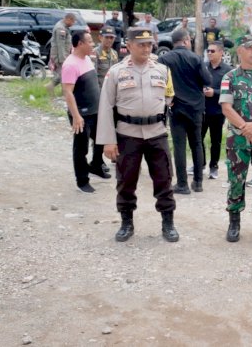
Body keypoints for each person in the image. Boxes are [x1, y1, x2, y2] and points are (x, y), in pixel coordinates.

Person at [97, 27, 179, 243]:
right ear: (129, 45)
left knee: (164, 178)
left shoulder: (162, 70)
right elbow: (105, 107)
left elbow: (169, 99)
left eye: (149, 44)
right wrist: (108, 141)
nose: (146, 48)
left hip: (156, 133)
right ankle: (126, 222)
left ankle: (168, 222)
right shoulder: (116, 72)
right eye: (141, 44)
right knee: (126, 180)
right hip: (127, 134)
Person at [220, 37, 252, 242]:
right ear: (239, 51)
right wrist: (246, 128)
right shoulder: (230, 77)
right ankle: (234, 222)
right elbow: (226, 107)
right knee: (236, 179)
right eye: (250, 48)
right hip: (238, 139)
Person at [158, 29, 212, 194]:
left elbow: (159, 81)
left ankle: (182, 184)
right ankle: (198, 182)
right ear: (186, 40)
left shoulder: (164, 59)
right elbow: (207, 80)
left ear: (174, 42)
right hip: (195, 107)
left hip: (176, 106)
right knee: (196, 143)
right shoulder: (195, 58)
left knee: (179, 146)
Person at [61, 31, 111, 193]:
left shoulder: (87, 59)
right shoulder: (70, 64)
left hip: (95, 110)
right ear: (80, 44)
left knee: (101, 139)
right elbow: (68, 92)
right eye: (89, 41)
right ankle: (82, 180)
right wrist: (76, 116)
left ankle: (96, 165)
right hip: (81, 114)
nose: (93, 44)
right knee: (81, 148)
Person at [202, 41, 232, 179]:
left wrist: (214, 92)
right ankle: (200, 164)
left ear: (221, 52)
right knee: (198, 139)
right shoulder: (203, 67)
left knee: (216, 141)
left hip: (218, 111)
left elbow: (230, 91)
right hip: (202, 110)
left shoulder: (228, 70)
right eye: (208, 51)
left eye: (212, 51)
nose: (209, 53)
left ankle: (213, 167)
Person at [46, 12, 75, 95]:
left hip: (63, 54)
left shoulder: (64, 27)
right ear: (68, 19)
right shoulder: (60, 29)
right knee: (63, 75)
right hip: (60, 56)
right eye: (72, 22)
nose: (73, 24)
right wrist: (63, 60)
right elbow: (60, 45)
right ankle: (51, 86)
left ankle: (62, 92)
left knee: (63, 75)